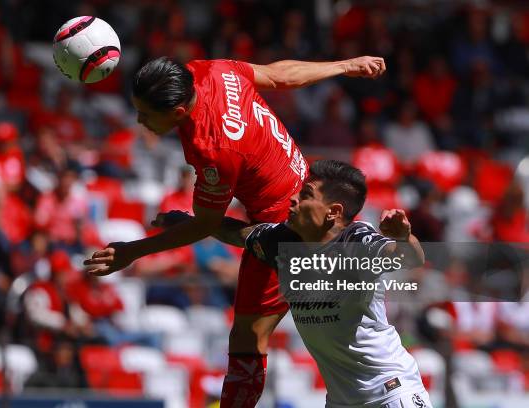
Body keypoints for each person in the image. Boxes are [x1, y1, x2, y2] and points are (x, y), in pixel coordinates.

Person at [84, 55, 386, 406]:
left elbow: (206, 224)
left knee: (250, 337)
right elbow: (276, 75)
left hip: (289, 228)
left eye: (146, 115)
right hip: (301, 185)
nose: (139, 120)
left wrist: (131, 252)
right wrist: (344, 66)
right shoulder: (210, 71)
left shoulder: (213, 148)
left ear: (179, 112)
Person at [155, 160, 432, 407]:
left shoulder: (356, 240)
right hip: (341, 401)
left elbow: (410, 258)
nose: (293, 199)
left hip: (391, 393)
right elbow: (236, 233)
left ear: (333, 211)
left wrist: (404, 238)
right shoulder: (281, 242)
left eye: (306, 194)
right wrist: (189, 222)